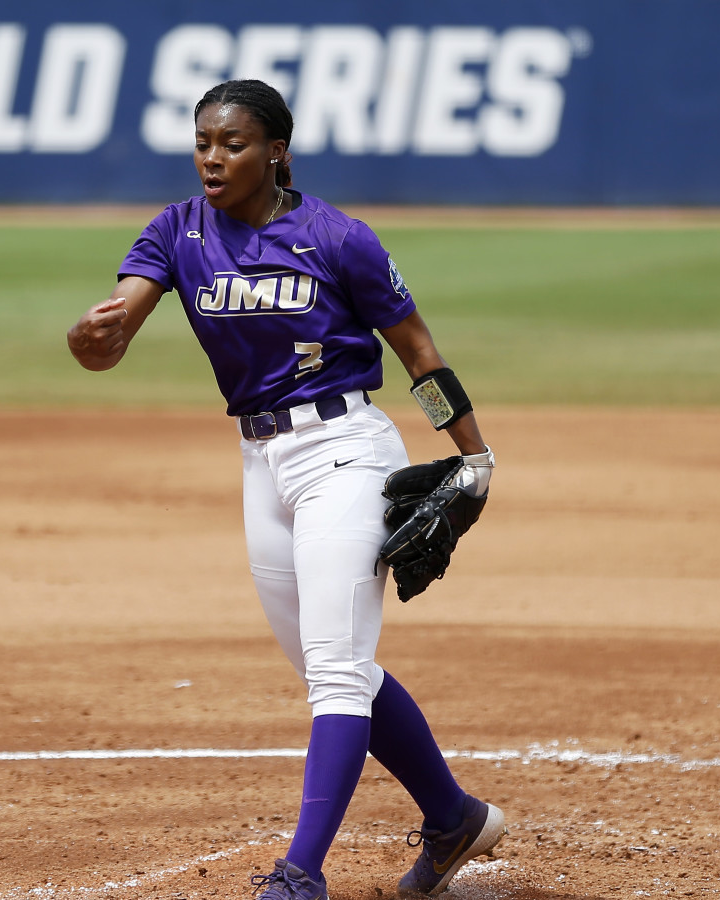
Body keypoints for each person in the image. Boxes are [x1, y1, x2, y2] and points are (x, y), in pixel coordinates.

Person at [66, 79, 506, 900]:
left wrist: (475, 456)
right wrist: (92, 336)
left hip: (345, 450)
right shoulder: (177, 230)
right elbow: (112, 332)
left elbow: (419, 355)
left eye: (232, 143)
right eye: (202, 142)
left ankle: (300, 877)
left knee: (338, 671)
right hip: (260, 465)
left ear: (277, 151)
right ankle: (453, 818)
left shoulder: (338, 238)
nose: (212, 158)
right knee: (333, 669)